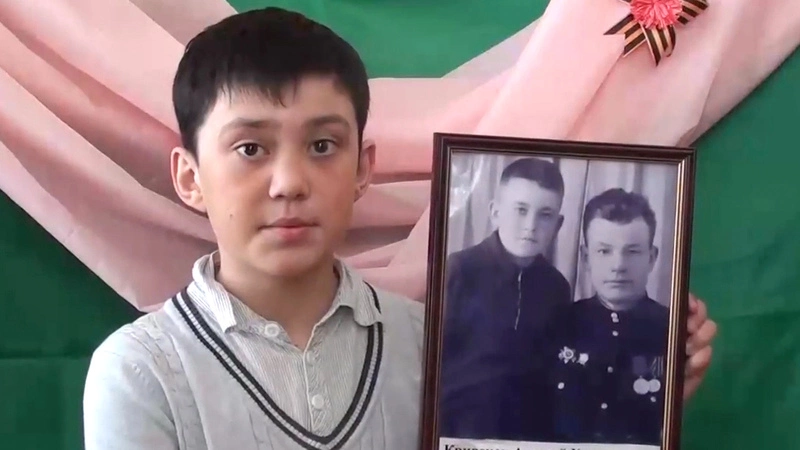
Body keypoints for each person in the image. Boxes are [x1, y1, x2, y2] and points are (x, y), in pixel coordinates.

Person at [81, 7, 717, 449]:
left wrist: (647, 405)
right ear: (190, 176)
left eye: (323, 146)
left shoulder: (431, 342)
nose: (289, 182)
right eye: (250, 149)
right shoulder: (141, 372)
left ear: (363, 169)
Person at [439, 157, 573, 441]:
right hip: (458, 432)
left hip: (530, 436)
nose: (531, 226)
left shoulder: (556, 287)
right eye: (520, 210)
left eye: (545, 215)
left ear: (558, 225)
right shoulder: (458, 270)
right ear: (495, 212)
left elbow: (552, 375)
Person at [548, 188, 684, 445]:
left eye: (632, 251)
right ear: (585, 257)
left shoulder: (674, 331)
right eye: (604, 251)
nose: (618, 265)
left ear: (652, 257)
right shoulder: (557, 326)